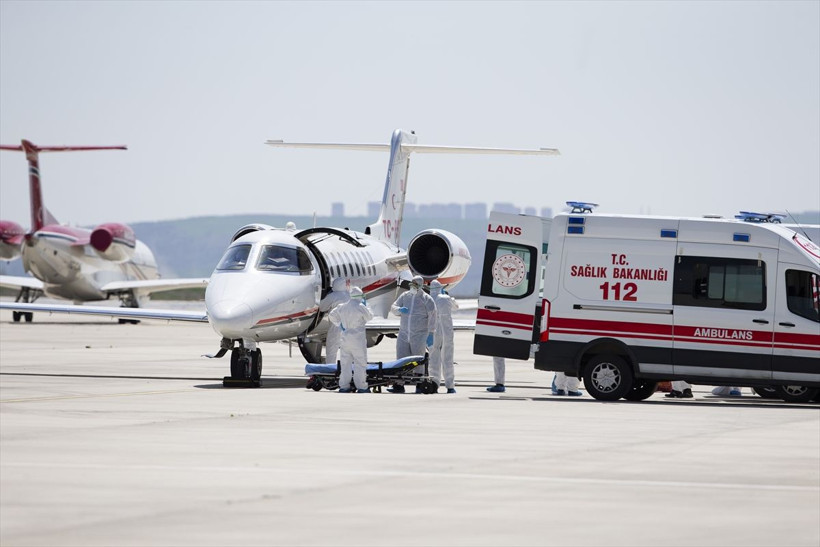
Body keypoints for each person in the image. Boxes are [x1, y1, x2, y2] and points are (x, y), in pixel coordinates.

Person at [388, 275, 437, 393]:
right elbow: (393, 306)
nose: (412, 286)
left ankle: (420, 385)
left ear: (420, 286)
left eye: (415, 284)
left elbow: (433, 316)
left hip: (419, 335)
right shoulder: (405, 296)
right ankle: (399, 385)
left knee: (418, 360)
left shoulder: (427, 299)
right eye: (412, 283)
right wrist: (399, 310)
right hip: (404, 333)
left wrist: (431, 333)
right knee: (401, 359)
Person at [328, 286, 373, 393]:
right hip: (357, 338)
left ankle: (344, 386)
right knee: (360, 363)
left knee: (345, 363)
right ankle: (361, 386)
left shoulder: (342, 306)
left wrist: (339, 324)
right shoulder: (360, 306)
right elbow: (369, 317)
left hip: (345, 337)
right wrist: (366, 306)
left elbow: (331, 315)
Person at [428, 280, 459, 394]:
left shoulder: (428, 299)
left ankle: (434, 383)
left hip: (433, 332)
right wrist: (449, 297)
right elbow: (456, 307)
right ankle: (450, 386)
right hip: (446, 332)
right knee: (448, 358)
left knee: (434, 359)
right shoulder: (445, 298)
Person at [319, 278, 349, 365]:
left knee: (331, 350)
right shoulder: (348, 295)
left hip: (336, 326)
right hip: (349, 327)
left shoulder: (333, 296)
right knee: (348, 351)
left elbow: (322, 307)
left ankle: (330, 369)